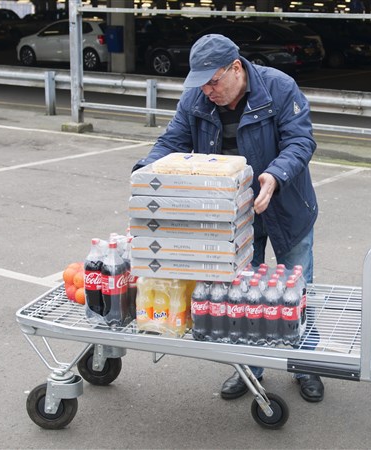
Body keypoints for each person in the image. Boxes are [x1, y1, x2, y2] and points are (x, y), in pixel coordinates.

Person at [133, 34, 324, 403]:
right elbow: (172, 141)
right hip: (230, 216)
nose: (208, 91)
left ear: (236, 68)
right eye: (201, 84)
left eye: (213, 82)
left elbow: (300, 141)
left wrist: (275, 176)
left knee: (298, 290)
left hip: (285, 204)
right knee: (238, 293)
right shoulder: (196, 98)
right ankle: (247, 369)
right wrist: (144, 172)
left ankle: (305, 365)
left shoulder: (279, 87)